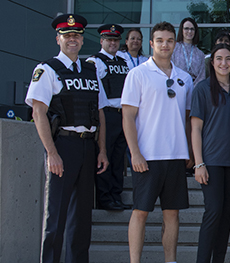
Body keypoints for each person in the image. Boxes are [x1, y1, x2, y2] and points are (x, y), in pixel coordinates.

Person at [27, 14, 108, 263]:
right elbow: (38, 112)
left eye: (77, 35)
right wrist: (51, 153)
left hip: (87, 146)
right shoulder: (47, 69)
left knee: (82, 219)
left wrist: (102, 150)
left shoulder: (92, 70)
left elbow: (100, 112)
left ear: (83, 41)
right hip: (62, 146)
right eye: (67, 35)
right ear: (58, 39)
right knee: (55, 217)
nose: (72, 39)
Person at [122, 21, 193, 263]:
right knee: (140, 212)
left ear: (175, 43)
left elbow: (186, 119)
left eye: (170, 40)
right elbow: (128, 117)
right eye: (160, 40)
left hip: (175, 156)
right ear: (151, 43)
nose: (165, 45)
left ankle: (170, 261)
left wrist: (189, 152)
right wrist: (135, 153)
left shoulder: (185, 78)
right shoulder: (138, 74)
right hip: (147, 156)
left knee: (172, 214)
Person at [192, 43, 230, 263]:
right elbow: (196, 128)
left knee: (226, 216)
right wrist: (198, 163)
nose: (224, 63)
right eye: (219, 58)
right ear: (212, 63)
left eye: (228, 58)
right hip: (211, 161)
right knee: (213, 212)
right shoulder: (202, 89)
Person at [87, 23, 131, 211]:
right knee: (105, 156)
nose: (113, 43)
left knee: (118, 158)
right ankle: (104, 198)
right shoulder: (94, 62)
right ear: (101, 41)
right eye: (109, 40)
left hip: (123, 115)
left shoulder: (123, 61)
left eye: (115, 40)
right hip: (107, 115)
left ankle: (116, 195)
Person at [173, 17, 207, 83]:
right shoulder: (174, 49)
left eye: (192, 29)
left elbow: (202, 76)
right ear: (181, 30)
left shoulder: (200, 54)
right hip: (177, 85)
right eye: (186, 28)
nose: (189, 31)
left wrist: (193, 89)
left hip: (194, 88)